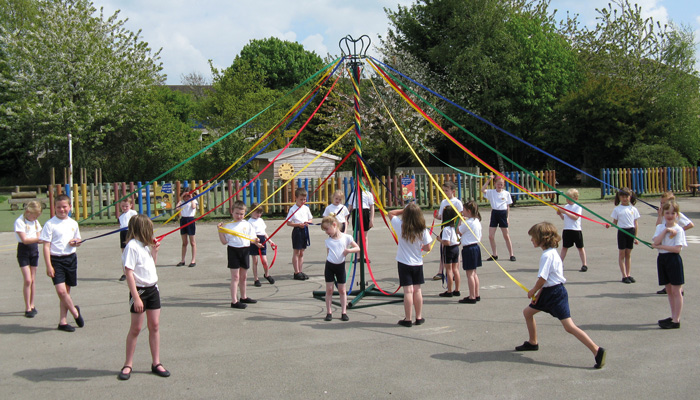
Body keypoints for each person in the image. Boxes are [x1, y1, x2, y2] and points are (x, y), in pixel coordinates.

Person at [515, 222, 606, 369]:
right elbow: (548, 279)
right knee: (527, 312)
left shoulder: (546, 256)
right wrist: (539, 294)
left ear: (541, 238)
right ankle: (533, 342)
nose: (531, 240)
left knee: (569, 326)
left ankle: (596, 350)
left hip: (555, 294)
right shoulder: (552, 253)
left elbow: (543, 278)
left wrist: (533, 291)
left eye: (533, 237)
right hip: (550, 291)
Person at [117, 214, 170, 381]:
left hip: (153, 288)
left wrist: (154, 252)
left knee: (154, 325)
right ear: (142, 230)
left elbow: (150, 266)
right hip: (139, 291)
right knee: (136, 328)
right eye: (149, 229)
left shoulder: (145, 246)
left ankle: (156, 362)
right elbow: (129, 273)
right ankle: (128, 364)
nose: (152, 232)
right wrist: (136, 297)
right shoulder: (132, 247)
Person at [39, 194, 83, 332]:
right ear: (54, 208)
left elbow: (78, 241)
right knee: (61, 291)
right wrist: (48, 265)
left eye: (64, 207)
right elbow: (46, 246)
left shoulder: (73, 223)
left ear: (70, 207)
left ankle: (62, 321)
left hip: (70, 259)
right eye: (58, 207)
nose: (62, 209)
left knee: (66, 292)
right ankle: (75, 312)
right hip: (56, 260)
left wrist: (76, 242)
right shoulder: (50, 224)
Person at [388, 203, 432, 327]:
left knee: (408, 291)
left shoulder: (400, 225)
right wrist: (421, 248)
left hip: (404, 262)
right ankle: (418, 317)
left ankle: (408, 319)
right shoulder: (422, 229)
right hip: (417, 263)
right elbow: (428, 247)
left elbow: (390, 213)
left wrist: (404, 210)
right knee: (417, 290)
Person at [218, 201, 260, 309]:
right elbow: (224, 242)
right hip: (233, 251)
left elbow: (252, 239)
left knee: (244, 276)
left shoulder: (247, 224)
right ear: (232, 212)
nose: (239, 216)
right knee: (235, 277)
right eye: (237, 213)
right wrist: (220, 231)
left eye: (241, 214)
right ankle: (234, 301)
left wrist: (256, 240)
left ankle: (243, 297)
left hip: (245, 250)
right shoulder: (228, 226)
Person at [652, 200, 687, 329]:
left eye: (673, 213)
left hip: (673, 260)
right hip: (662, 259)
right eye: (667, 213)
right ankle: (672, 316)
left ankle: (676, 320)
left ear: (677, 215)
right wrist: (666, 230)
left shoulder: (679, 230)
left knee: (676, 290)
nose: (670, 215)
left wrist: (660, 246)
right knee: (669, 290)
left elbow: (677, 249)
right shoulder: (660, 227)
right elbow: (655, 241)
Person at [320, 216, 360, 321]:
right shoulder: (328, 241)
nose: (326, 232)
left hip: (340, 266)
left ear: (334, 225)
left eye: (327, 229)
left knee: (342, 290)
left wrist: (348, 251)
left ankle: (344, 312)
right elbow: (328, 253)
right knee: (329, 289)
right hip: (330, 266)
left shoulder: (346, 237)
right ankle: (329, 312)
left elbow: (357, 248)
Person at [655, 191, 693, 295]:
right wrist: (659, 215)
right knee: (665, 268)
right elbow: (658, 226)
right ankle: (667, 287)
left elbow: (690, 224)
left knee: (674, 267)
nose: (661, 205)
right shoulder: (664, 214)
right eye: (661, 203)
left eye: (663, 203)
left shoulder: (676, 214)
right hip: (663, 246)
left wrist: (677, 231)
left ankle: (679, 289)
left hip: (672, 246)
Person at [15, 201, 43, 318]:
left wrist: (39, 238)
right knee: (27, 280)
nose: (35, 218)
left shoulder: (36, 222)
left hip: (34, 251)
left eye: (37, 216)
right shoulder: (20, 222)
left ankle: (32, 304)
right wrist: (38, 239)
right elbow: (25, 240)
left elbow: (40, 234)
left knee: (33, 279)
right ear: (28, 212)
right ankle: (27, 307)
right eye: (34, 215)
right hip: (24, 251)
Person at [434, 181, 464, 280]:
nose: (445, 192)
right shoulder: (443, 202)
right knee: (443, 249)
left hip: (454, 229)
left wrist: (458, 230)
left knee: (454, 250)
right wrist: (436, 216)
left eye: (446, 191)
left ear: (453, 191)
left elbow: (460, 217)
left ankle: (455, 272)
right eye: (443, 191)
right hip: (445, 228)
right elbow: (441, 216)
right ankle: (440, 271)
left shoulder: (457, 202)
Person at [481, 175, 515, 262]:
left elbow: (507, 206)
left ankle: (511, 254)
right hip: (495, 213)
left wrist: (507, 218)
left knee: (506, 235)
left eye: (502, 184)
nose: (500, 186)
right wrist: (489, 180)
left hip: (503, 213)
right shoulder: (491, 192)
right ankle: (494, 254)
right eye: (499, 184)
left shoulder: (506, 193)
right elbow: (482, 190)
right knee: (491, 236)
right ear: (495, 184)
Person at [610, 187, 640, 283]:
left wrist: (636, 237)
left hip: (630, 231)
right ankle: (624, 275)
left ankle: (629, 274)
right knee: (622, 254)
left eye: (626, 196)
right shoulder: (617, 209)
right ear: (619, 197)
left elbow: (635, 224)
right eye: (622, 196)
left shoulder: (633, 209)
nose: (624, 198)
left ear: (630, 197)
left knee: (628, 254)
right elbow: (614, 222)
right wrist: (609, 225)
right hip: (622, 232)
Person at [556, 189, 588, 272]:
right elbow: (564, 218)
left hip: (576, 230)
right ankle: (559, 263)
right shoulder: (566, 206)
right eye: (567, 198)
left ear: (576, 198)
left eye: (570, 198)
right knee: (564, 247)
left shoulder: (578, 207)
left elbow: (575, 218)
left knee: (580, 247)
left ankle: (584, 264)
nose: (568, 200)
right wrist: (560, 214)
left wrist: (565, 212)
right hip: (567, 229)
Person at [286, 188, 314, 280]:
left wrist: (307, 222)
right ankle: (296, 272)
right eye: (301, 199)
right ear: (296, 198)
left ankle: (300, 271)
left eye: (304, 199)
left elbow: (310, 219)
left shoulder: (306, 208)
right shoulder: (292, 209)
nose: (303, 201)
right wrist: (298, 224)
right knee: (296, 252)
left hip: (304, 230)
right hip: (297, 230)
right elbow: (288, 222)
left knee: (302, 252)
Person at [458, 200, 482, 304]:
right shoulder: (476, 221)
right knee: (474, 273)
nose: (462, 212)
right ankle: (476, 294)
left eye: (463, 210)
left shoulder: (467, 223)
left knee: (470, 274)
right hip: (476, 248)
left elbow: (458, 231)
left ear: (468, 211)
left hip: (469, 249)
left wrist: (459, 221)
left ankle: (472, 296)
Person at [248, 203, 275, 287]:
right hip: (254, 242)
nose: (258, 215)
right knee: (255, 261)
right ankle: (256, 279)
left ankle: (267, 274)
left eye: (260, 213)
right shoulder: (249, 222)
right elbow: (249, 235)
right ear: (251, 212)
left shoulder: (261, 220)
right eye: (256, 212)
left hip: (262, 241)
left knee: (264, 261)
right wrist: (256, 242)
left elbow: (263, 233)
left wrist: (270, 241)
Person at [347, 176, 374, 259]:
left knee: (365, 237)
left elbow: (372, 207)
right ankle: (358, 255)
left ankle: (365, 255)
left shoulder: (368, 194)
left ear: (364, 184)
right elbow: (350, 207)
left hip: (365, 213)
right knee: (358, 236)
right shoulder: (353, 194)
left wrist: (371, 219)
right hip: (356, 214)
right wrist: (346, 218)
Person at [438, 206, 461, 298]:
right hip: (456, 248)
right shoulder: (454, 228)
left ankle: (450, 290)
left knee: (449, 270)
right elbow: (458, 241)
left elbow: (447, 242)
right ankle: (457, 289)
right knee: (455, 269)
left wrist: (439, 240)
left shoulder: (446, 229)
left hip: (449, 250)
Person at [118, 198, 138, 281]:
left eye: (126, 206)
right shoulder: (121, 216)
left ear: (131, 206)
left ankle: (135, 271)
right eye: (123, 206)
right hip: (123, 233)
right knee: (124, 253)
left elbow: (136, 223)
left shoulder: (133, 213)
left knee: (133, 251)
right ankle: (125, 273)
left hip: (130, 232)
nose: (125, 208)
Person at [176, 191, 198, 268]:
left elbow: (193, 207)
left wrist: (191, 198)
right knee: (184, 242)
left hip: (190, 220)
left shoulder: (193, 201)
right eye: (185, 196)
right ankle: (183, 260)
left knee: (192, 242)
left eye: (188, 196)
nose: (186, 198)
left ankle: (193, 260)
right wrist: (180, 199)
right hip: (183, 220)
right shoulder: (182, 202)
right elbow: (177, 209)